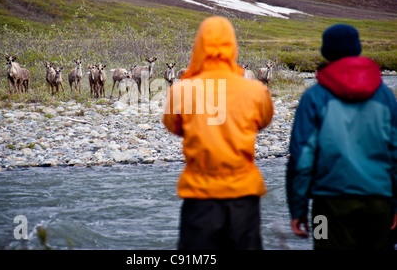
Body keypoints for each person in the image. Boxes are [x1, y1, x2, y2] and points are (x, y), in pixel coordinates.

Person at [163, 16, 274, 250]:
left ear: (199, 46)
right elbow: (262, 122)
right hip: (243, 196)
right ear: (232, 46)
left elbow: (173, 126)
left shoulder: (181, 91)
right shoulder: (256, 90)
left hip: (200, 197)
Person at [286, 23, 397, 250]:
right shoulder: (385, 96)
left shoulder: (314, 97)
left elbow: (301, 158)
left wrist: (298, 209)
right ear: (357, 49)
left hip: (325, 205)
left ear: (325, 51)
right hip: (379, 204)